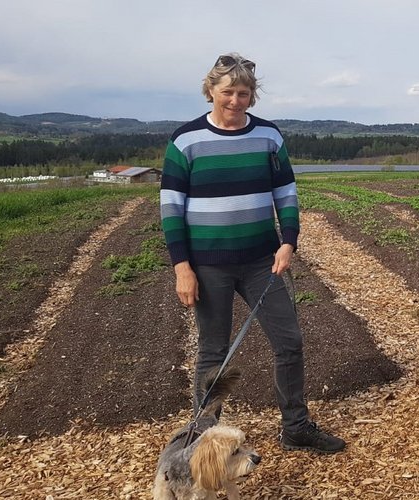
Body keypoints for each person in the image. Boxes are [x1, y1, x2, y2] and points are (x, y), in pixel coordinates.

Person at [160, 52, 347, 452]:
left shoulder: (269, 136)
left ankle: (296, 427)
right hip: (208, 265)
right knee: (213, 353)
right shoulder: (185, 140)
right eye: (228, 91)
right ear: (210, 90)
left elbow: (286, 192)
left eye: (244, 93)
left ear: (253, 95)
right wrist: (182, 267)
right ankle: (203, 439)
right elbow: (172, 209)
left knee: (289, 342)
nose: (235, 101)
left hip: (263, 261)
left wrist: (288, 241)